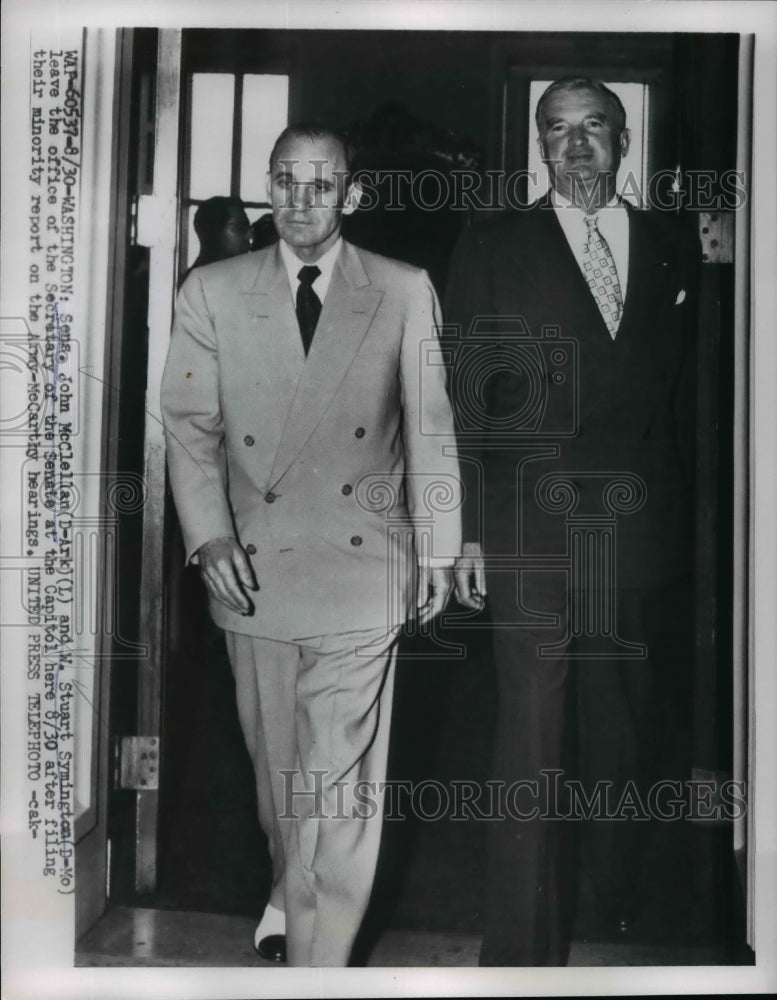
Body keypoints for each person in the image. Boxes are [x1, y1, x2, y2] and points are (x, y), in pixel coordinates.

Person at [161, 125, 461, 967]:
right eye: (286, 181)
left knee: (334, 790)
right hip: (253, 570)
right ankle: (288, 886)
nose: (300, 200)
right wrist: (208, 534)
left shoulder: (401, 288)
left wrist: (438, 549)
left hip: (363, 568)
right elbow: (188, 425)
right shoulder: (213, 290)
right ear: (268, 186)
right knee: (281, 784)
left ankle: (316, 970)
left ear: (351, 196)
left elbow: (431, 427)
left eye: (321, 184)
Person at [446, 77, 698, 965]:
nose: (577, 145)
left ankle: (610, 900)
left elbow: (689, 400)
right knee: (531, 733)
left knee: (623, 730)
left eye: (594, 126)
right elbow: (463, 399)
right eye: (557, 130)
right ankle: (519, 951)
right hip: (528, 525)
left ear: (622, 140)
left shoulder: (671, 246)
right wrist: (464, 529)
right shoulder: (492, 245)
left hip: (636, 530)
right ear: (539, 145)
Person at [188, 195, 251, 274]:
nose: (250, 235)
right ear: (213, 232)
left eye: (249, 228)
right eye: (239, 228)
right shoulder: (195, 279)